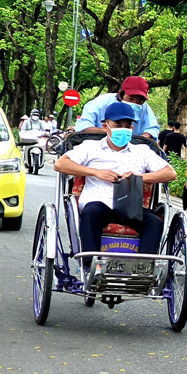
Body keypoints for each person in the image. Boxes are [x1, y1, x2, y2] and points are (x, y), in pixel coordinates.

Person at [53, 102, 176, 260]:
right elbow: (60, 164)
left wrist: (139, 178)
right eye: (117, 125)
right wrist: (96, 173)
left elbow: (170, 173)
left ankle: (143, 268)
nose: (122, 129)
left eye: (127, 125)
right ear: (106, 127)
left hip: (130, 206)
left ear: (132, 129)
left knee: (154, 221)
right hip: (98, 203)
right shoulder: (90, 147)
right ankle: (91, 265)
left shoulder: (142, 151)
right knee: (90, 213)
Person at [75, 76, 161, 139]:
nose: (135, 103)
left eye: (140, 101)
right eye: (131, 98)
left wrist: (142, 138)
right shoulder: (101, 102)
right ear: (120, 94)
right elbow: (83, 125)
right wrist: (109, 132)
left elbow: (152, 129)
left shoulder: (144, 108)